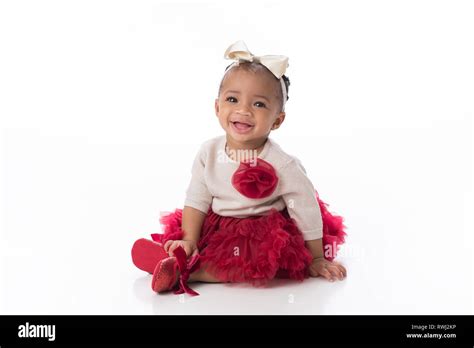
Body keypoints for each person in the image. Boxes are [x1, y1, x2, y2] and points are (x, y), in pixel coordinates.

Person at [131, 40, 347, 296]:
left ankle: (188, 272)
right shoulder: (208, 152)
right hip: (218, 226)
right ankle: (182, 254)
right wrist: (189, 239)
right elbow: (197, 199)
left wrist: (316, 258)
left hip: (261, 231)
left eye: (259, 104)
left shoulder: (283, 164)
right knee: (195, 238)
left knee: (251, 261)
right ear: (217, 107)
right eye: (232, 99)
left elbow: (306, 208)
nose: (243, 110)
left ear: (277, 120)